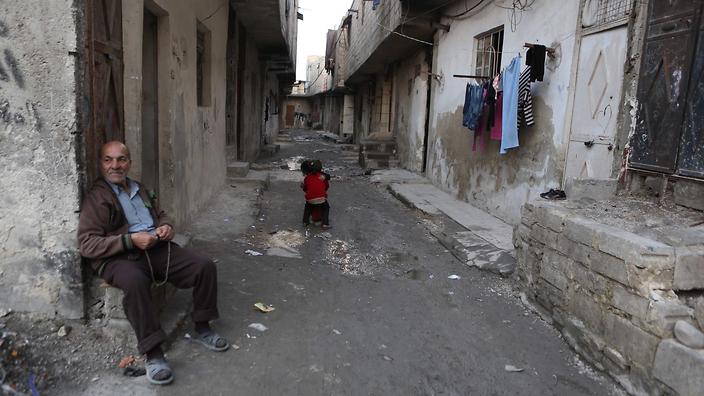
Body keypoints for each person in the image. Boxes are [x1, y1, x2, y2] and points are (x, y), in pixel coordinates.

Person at [77, 141, 229, 386]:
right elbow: (87, 244)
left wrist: (166, 226)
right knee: (136, 282)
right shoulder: (97, 197)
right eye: (108, 160)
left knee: (204, 265)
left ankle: (203, 327)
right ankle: (154, 354)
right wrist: (129, 240)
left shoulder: (139, 188)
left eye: (121, 159)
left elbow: (161, 214)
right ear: (101, 163)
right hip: (119, 258)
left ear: (129, 163)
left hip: (156, 248)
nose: (115, 165)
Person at [300, 159, 331, 229]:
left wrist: (303, 187)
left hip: (310, 200)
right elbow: (326, 186)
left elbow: (305, 189)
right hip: (322, 199)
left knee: (307, 207)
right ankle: (325, 224)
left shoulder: (307, 178)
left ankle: (305, 222)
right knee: (326, 208)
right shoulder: (323, 176)